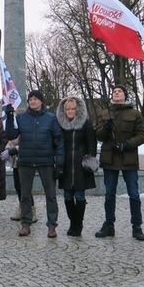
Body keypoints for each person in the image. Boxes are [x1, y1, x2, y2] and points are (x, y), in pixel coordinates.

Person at [5, 90, 64, 238]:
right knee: (25, 195)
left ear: (41, 101)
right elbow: (11, 136)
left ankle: (52, 226)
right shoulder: (21, 118)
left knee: (50, 195)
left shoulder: (51, 118)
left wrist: (60, 162)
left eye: (36, 99)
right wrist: (10, 117)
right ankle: (26, 224)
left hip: (46, 162)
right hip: (26, 161)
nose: (32, 101)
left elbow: (59, 141)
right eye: (30, 99)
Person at [95, 85, 144, 241]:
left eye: (119, 91)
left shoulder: (135, 113)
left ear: (125, 95)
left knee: (134, 194)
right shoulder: (104, 114)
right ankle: (109, 226)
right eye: (114, 91)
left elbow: (143, 135)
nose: (116, 93)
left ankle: (137, 227)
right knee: (109, 194)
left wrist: (127, 144)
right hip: (109, 159)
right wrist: (106, 128)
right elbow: (98, 135)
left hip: (128, 159)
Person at [55, 97, 97, 237]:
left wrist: (89, 160)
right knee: (67, 196)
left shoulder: (86, 124)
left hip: (81, 166)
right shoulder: (60, 125)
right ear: (63, 110)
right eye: (67, 109)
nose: (70, 111)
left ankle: (78, 225)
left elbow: (92, 144)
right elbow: (57, 144)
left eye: (73, 108)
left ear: (78, 110)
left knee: (79, 195)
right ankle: (73, 222)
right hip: (65, 166)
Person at [2, 136, 38, 223]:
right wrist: (8, 147)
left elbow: (30, 142)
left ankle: (31, 211)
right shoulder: (20, 129)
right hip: (17, 162)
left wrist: (14, 149)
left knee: (26, 187)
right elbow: (14, 141)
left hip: (27, 160)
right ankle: (22, 208)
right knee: (18, 186)